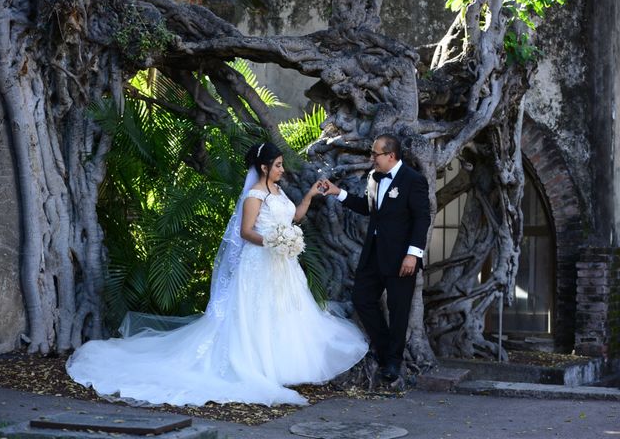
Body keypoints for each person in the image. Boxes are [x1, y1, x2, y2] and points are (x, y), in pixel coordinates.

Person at [66, 142, 367, 407]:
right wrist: (274, 242)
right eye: (277, 165)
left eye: (281, 165)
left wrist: (310, 197)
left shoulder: (278, 191)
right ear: (263, 167)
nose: (281, 170)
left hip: (282, 264)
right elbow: (246, 232)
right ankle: (257, 367)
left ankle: (283, 367)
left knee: (284, 312)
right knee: (256, 314)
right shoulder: (254, 195)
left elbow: (294, 218)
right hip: (259, 262)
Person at [322, 134, 430, 382]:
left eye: (375, 154)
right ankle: (383, 349)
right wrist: (338, 193)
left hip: (402, 258)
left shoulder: (413, 180)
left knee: (398, 309)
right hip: (373, 255)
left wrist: (413, 254)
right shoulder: (373, 178)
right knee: (362, 298)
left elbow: (422, 218)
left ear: (390, 156)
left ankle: (393, 362)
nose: (372, 158)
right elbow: (368, 208)